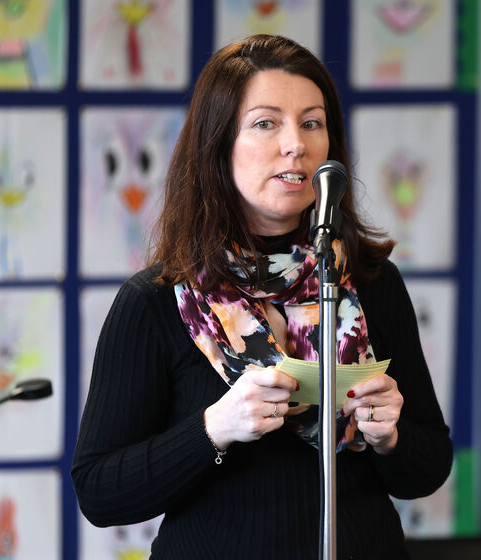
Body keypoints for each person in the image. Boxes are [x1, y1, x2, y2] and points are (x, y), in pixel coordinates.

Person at [71, 34, 452, 560]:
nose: (295, 143)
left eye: (312, 122)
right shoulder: (154, 301)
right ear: (217, 143)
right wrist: (215, 429)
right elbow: (99, 490)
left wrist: (392, 437)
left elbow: (428, 467)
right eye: (266, 123)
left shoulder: (370, 281)